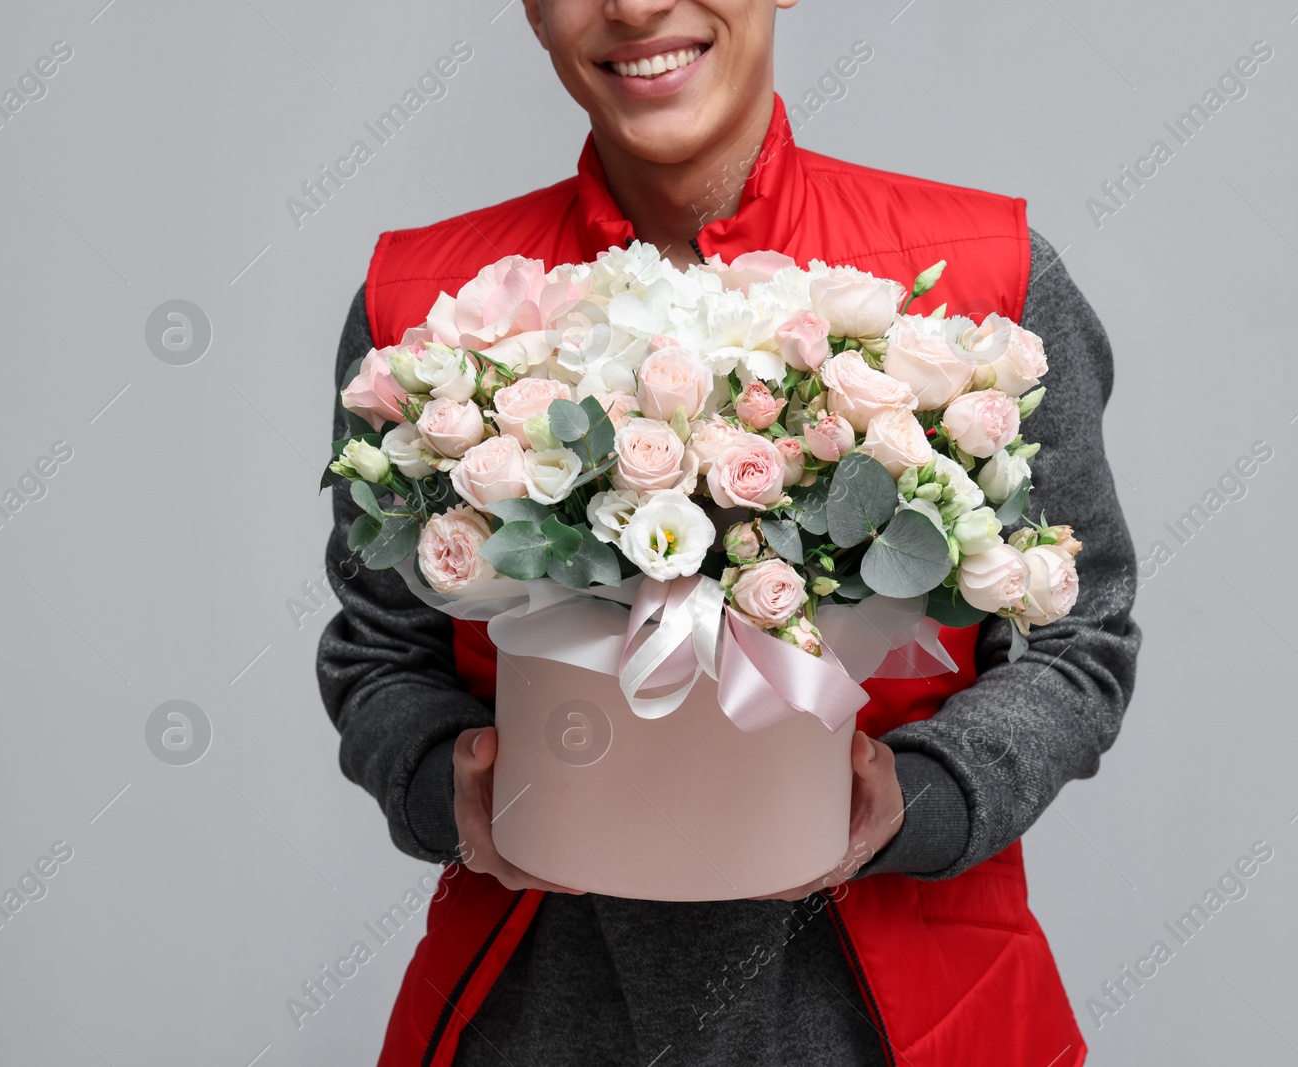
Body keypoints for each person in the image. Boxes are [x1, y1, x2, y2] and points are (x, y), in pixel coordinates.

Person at [318, 1, 1141, 1063]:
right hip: (532, 1020)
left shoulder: (984, 286)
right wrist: (451, 782)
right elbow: (379, 651)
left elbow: (1080, 637)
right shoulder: (429, 314)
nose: (631, 6)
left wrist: (919, 798)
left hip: (909, 1020)